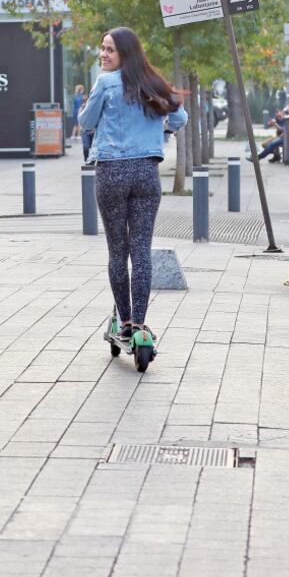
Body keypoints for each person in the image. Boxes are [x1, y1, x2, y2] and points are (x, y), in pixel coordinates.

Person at [78, 26, 187, 342]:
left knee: (117, 250)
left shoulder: (106, 83)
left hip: (112, 171)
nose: (103, 54)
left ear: (125, 53)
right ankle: (140, 324)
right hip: (146, 174)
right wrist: (160, 129)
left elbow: (86, 123)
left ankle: (124, 321)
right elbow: (180, 119)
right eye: (102, 48)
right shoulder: (154, 83)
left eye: (110, 49)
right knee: (141, 249)